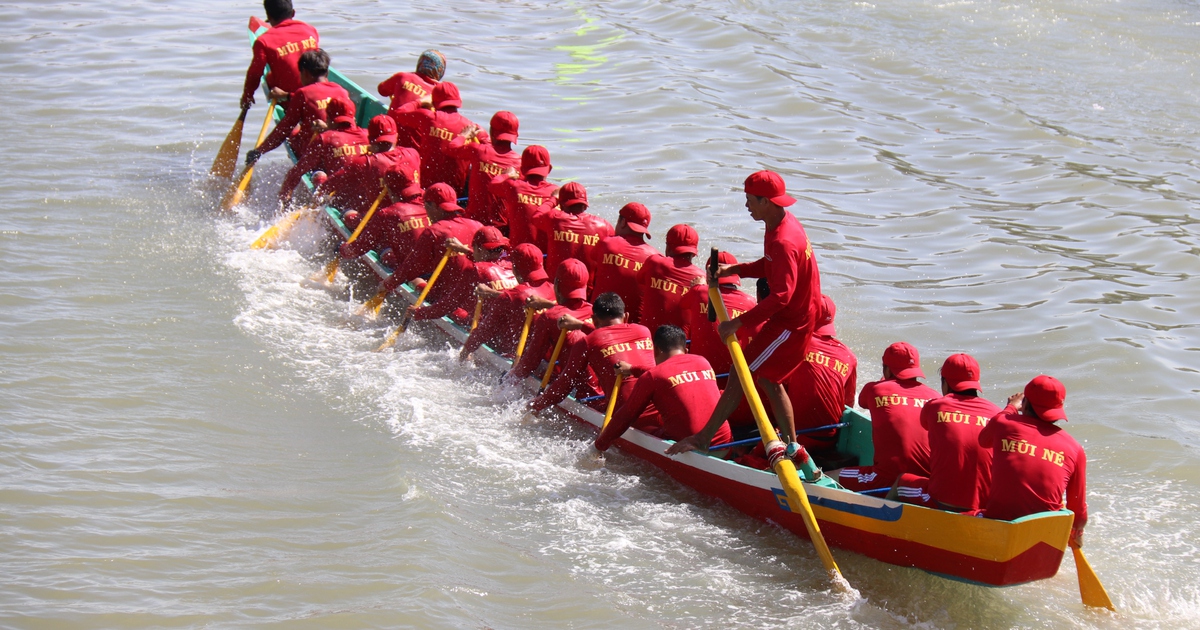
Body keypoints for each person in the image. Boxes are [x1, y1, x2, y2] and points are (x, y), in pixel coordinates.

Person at [667, 170, 821, 457]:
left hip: (792, 322)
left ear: (766, 202)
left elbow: (782, 296)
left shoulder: (783, 239)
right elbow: (772, 265)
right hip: (792, 316)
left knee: (744, 372)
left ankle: (704, 439)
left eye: (750, 200)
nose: (747, 206)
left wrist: (737, 322)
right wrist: (736, 270)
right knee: (765, 379)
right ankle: (793, 445)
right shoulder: (781, 223)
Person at [979, 375, 1087, 548]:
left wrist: (1010, 408)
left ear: (1026, 404)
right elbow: (1079, 512)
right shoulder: (1075, 449)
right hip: (1042, 536)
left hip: (1000, 524)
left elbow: (984, 441)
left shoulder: (1004, 424)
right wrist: (1077, 533)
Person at [595, 325, 733, 453]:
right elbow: (669, 373)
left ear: (655, 350)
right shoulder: (703, 361)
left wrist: (599, 445)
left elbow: (626, 416)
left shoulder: (652, 376)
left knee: (643, 426)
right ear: (685, 350)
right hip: (726, 444)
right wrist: (631, 369)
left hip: (691, 447)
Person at [892, 353, 1000, 511]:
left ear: (945, 383)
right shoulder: (996, 414)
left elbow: (926, 426)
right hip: (982, 506)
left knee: (900, 482)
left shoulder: (935, 407)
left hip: (939, 500)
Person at [833, 342, 939, 492]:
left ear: (887, 370)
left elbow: (862, 402)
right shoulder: (935, 397)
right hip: (925, 483)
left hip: (884, 479)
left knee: (828, 476)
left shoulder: (875, 389)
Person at [528, 292, 655, 414]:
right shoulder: (644, 331)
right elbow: (609, 335)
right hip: (658, 408)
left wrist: (535, 404)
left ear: (593, 319)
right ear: (626, 317)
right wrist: (581, 325)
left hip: (627, 416)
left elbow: (564, 385)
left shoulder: (587, 342)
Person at [246, 48, 348, 163]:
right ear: (327, 73)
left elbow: (284, 129)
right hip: (340, 150)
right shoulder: (342, 91)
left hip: (312, 152)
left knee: (293, 128)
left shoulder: (303, 94)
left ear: (304, 73)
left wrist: (259, 151)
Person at [785, 294, 857, 453]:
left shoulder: (795, 343)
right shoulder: (849, 356)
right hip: (829, 439)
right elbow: (848, 403)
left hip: (795, 437)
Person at [379, 183, 482, 295]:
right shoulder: (478, 226)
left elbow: (410, 268)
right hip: (476, 296)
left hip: (447, 299)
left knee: (413, 278)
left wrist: (387, 285)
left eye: (426, 206)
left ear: (433, 206)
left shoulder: (434, 231)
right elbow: (494, 263)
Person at [460, 243, 555, 359]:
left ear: (514, 268)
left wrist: (464, 353)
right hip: (551, 362)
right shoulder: (554, 290)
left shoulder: (511, 297)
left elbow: (484, 331)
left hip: (519, 361)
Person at [505, 259, 594, 382]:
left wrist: (508, 378)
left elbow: (530, 362)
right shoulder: (595, 311)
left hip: (577, 392)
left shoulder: (548, 317)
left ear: (556, 283)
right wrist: (549, 305)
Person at [407, 226, 516, 326]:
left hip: (489, 329)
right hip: (513, 328)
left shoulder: (475, 269)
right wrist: (465, 250)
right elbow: (489, 261)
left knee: (453, 308)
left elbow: (448, 305)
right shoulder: (511, 264)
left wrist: (419, 313)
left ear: (477, 248)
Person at [319, 115, 421, 222]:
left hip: (379, 221)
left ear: (370, 139)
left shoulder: (365, 162)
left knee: (348, 214)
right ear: (396, 136)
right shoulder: (413, 154)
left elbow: (330, 184)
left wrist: (317, 192)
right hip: (415, 215)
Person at [278, 95, 369, 204]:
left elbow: (297, 171)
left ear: (329, 118)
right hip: (367, 200)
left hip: (339, 200)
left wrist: (284, 196)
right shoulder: (368, 135)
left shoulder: (325, 138)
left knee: (318, 175)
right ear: (353, 118)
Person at [391, 81, 478, 195]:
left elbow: (398, 113)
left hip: (425, 189)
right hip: (455, 194)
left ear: (433, 102)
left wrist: (420, 101)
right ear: (458, 102)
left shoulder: (428, 117)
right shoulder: (471, 127)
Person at [338, 167, 427, 265]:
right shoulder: (429, 202)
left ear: (388, 189)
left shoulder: (386, 214)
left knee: (388, 255)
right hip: (430, 263)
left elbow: (361, 247)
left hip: (410, 267)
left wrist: (341, 250)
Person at [240, 0, 319, 110]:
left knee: (269, 77)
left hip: (289, 98)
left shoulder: (264, 41)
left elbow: (255, 73)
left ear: (269, 16)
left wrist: (247, 95)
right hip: (316, 95)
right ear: (293, 13)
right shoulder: (310, 30)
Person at [588, 202, 658, 320]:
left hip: (599, 318)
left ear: (623, 222)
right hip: (635, 325)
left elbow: (592, 261)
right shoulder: (655, 258)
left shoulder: (607, 244)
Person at [451, 111, 522, 228]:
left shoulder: (478, 151)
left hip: (472, 222)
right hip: (500, 227)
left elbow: (452, 148)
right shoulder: (519, 163)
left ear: (492, 132)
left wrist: (464, 135)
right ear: (515, 135)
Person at [635, 224, 703, 335]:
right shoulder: (702, 279)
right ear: (694, 253)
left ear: (668, 247)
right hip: (681, 346)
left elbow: (640, 280)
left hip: (647, 341)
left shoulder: (654, 262)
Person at [536, 182, 614, 276]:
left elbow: (537, 216)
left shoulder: (554, 219)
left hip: (555, 284)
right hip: (587, 287)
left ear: (561, 205)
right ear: (585, 205)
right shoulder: (604, 226)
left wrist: (553, 199)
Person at [488, 145, 558, 248]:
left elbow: (492, 185)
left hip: (517, 251)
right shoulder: (555, 192)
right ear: (549, 169)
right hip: (544, 254)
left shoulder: (513, 186)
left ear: (521, 169)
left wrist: (506, 175)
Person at [378, 50, 446, 148]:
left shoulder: (402, 77)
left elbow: (382, 90)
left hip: (387, 139)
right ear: (440, 71)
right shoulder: (440, 93)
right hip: (414, 149)